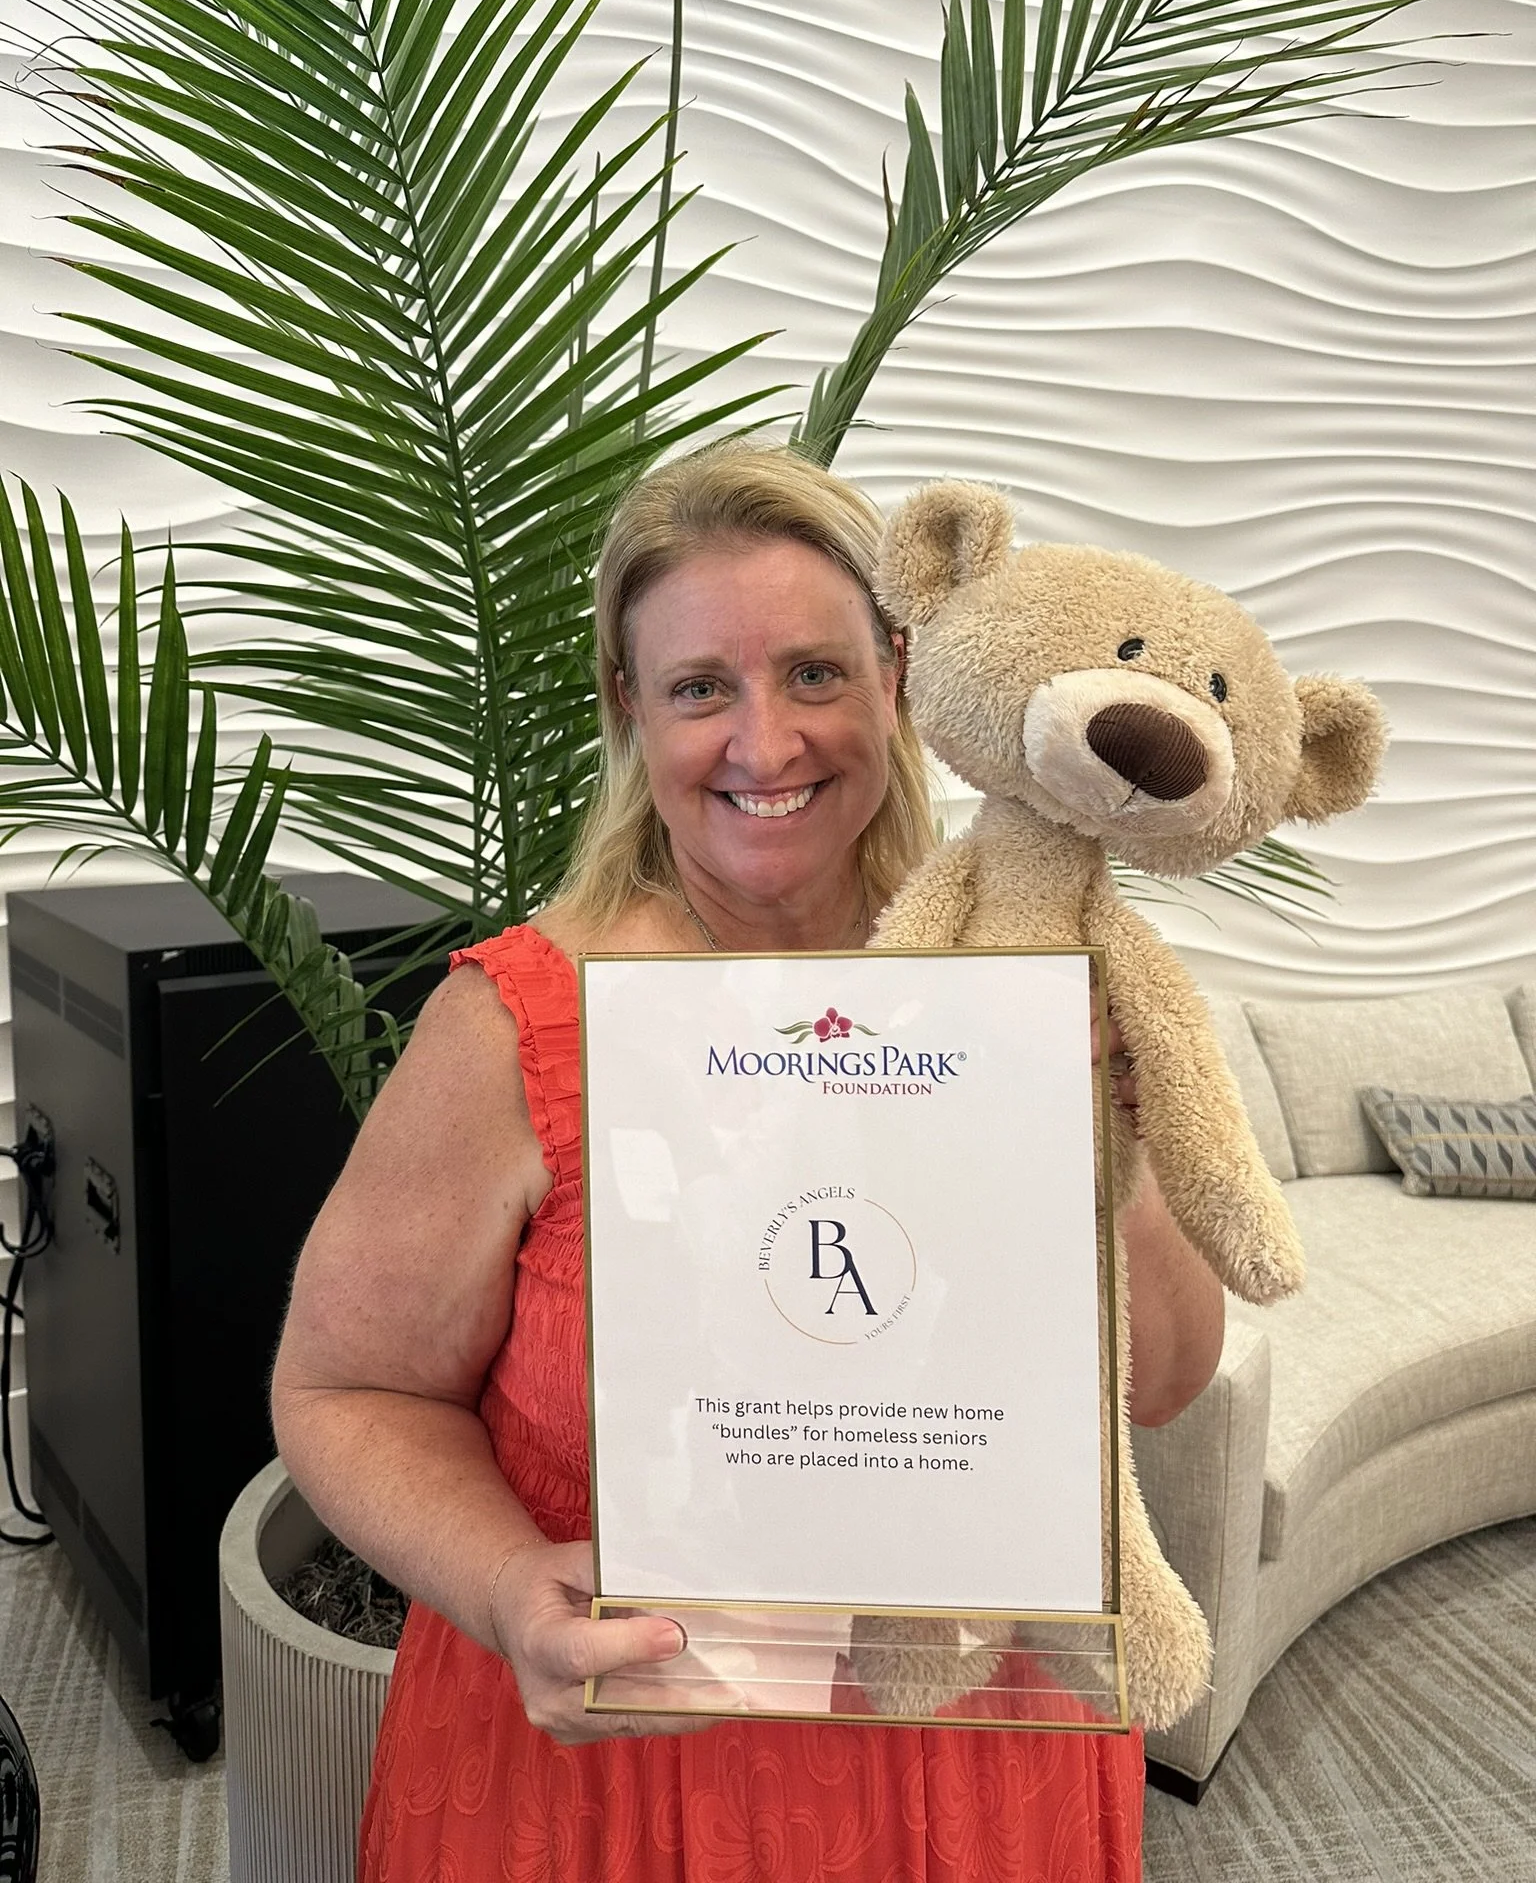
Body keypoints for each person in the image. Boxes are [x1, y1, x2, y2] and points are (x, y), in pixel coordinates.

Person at [271, 445, 1224, 1881]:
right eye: (702, 686)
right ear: (631, 713)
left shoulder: (1021, 988)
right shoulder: (520, 1024)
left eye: (816, 674)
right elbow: (343, 1389)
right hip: (620, 1771)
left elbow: (1160, 1380)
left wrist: (1101, 1135)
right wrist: (505, 1590)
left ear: (896, 681)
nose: (765, 743)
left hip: (979, 1749)